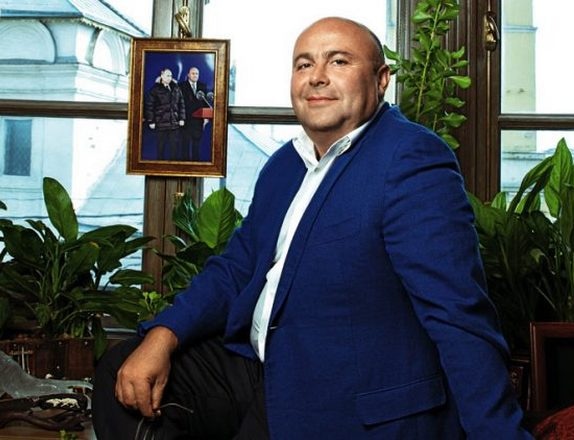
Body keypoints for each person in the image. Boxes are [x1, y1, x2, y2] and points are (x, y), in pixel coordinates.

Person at [93, 17, 532, 439]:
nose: (317, 77)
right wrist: (164, 335)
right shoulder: (285, 165)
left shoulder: (411, 158)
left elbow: (456, 315)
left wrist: (498, 433)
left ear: (381, 80)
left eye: (338, 61)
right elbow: (236, 269)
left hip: (348, 398)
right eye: (304, 64)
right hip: (262, 369)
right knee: (124, 372)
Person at [144, 68, 185, 160]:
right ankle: (160, 166)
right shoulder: (155, 89)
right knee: (160, 148)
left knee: (174, 149)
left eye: (171, 76)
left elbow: (181, 104)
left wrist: (182, 118)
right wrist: (151, 121)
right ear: (162, 76)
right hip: (161, 124)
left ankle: (173, 167)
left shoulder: (176, 88)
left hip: (174, 124)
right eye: (167, 75)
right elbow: (149, 106)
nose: (169, 77)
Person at [179, 66, 210, 161]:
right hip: (186, 121)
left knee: (196, 146)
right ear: (188, 75)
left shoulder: (202, 86)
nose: (195, 75)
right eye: (193, 73)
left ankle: (196, 165)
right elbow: (178, 103)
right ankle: (185, 165)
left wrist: (206, 117)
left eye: (197, 74)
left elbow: (205, 103)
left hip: (198, 122)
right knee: (185, 145)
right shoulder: (181, 86)